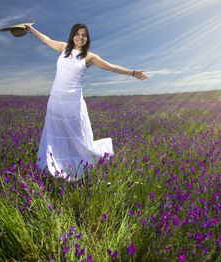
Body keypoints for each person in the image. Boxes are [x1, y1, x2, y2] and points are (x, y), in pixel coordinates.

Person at [25, 23, 148, 180]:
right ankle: (55, 166)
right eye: (78, 34)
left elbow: (111, 67)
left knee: (77, 136)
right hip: (56, 99)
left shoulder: (90, 57)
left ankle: (80, 165)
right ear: (72, 35)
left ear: (87, 38)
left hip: (73, 102)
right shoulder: (63, 48)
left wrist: (132, 73)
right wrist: (31, 30)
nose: (80, 37)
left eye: (84, 35)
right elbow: (46, 39)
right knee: (55, 133)